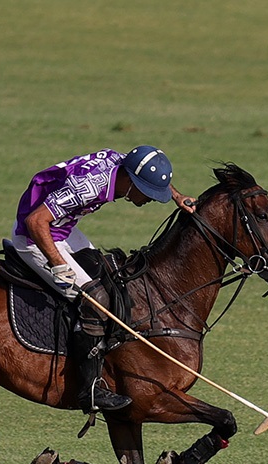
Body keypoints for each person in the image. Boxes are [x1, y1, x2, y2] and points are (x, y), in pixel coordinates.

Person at [12, 145, 196, 413]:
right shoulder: (89, 187)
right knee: (94, 299)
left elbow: (139, 166)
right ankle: (88, 391)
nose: (149, 201)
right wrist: (57, 263)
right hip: (36, 236)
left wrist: (177, 196)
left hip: (63, 229)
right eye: (148, 194)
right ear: (130, 183)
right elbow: (35, 221)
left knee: (111, 277)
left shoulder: (119, 164)